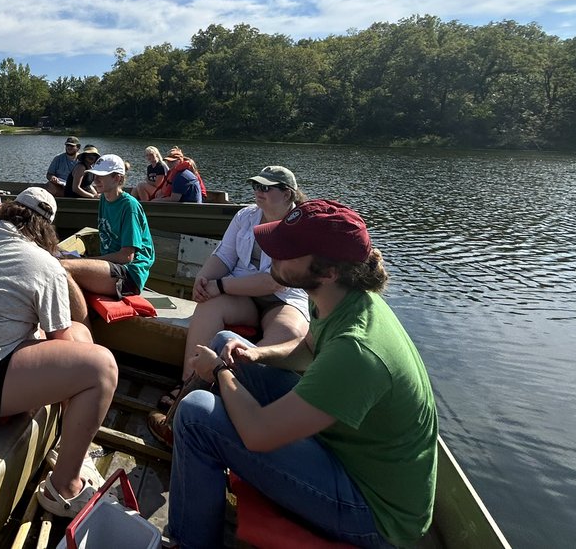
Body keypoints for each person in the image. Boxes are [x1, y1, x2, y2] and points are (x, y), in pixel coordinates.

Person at [166, 200, 438, 548]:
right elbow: (307, 349)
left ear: (328, 271)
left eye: (287, 250)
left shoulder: (357, 349)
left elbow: (259, 435)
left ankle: (189, 541)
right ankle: (202, 464)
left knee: (196, 415)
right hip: (343, 452)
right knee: (226, 341)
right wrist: (256, 353)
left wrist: (219, 372)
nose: (272, 253)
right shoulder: (333, 297)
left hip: (374, 514)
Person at [0, 188, 118, 519]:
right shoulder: (44, 263)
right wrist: (63, 273)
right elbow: (62, 340)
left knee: (80, 339)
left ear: (10, 210)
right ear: (47, 229)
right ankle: (64, 485)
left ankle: (69, 442)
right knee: (101, 369)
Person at [149, 166, 311, 442]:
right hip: (243, 294)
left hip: (285, 299)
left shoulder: (301, 225)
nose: (257, 192)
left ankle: (238, 397)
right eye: (255, 186)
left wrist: (220, 285)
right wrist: (204, 277)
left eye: (265, 188)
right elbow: (223, 255)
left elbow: (276, 283)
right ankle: (189, 382)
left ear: (287, 194)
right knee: (209, 307)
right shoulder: (245, 216)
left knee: (290, 334)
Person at [59, 155, 154, 310]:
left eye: (101, 176)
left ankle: (84, 328)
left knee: (65, 268)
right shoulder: (104, 198)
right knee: (56, 262)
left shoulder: (129, 207)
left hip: (129, 275)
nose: (95, 180)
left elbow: (126, 256)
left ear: (117, 178)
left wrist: (85, 261)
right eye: (95, 175)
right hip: (110, 268)